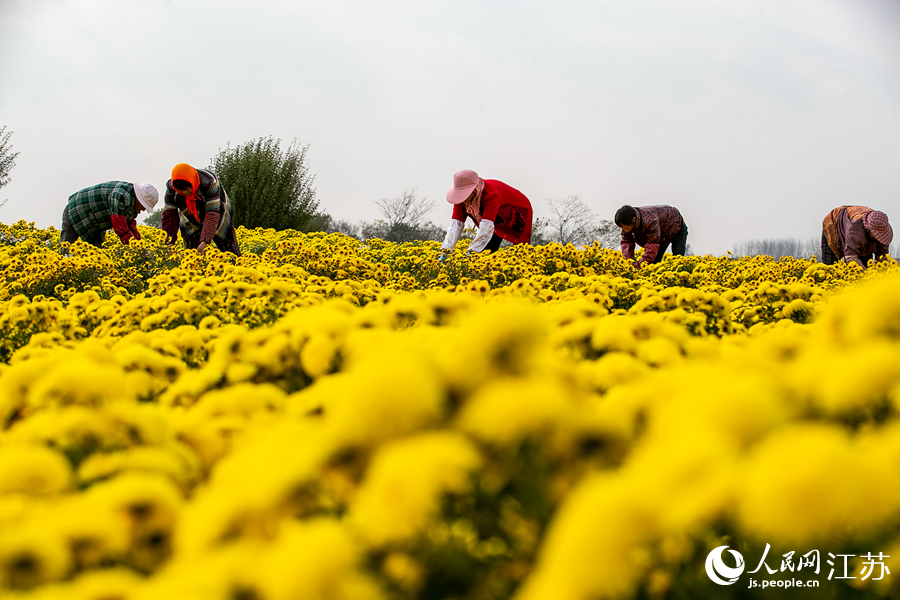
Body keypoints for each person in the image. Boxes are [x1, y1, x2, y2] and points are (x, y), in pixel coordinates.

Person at [440, 170, 533, 260]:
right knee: (487, 250)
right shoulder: (460, 201)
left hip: (516, 209)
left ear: (474, 190)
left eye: (464, 194)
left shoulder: (491, 194)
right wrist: (445, 251)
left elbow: (486, 226)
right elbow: (455, 226)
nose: (462, 198)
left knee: (516, 252)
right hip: (495, 215)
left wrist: (472, 253)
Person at [161, 163, 240, 256]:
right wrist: (169, 242)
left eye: (187, 189)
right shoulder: (171, 188)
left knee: (230, 252)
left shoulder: (208, 181)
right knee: (191, 255)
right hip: (190, 216)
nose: (186, 193)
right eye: (181, 192)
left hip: (217, 211)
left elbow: (212, 214)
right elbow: (170, 216)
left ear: (192, 182)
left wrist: (205, 241)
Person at [61, 181, 158, 248]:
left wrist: (139, 246)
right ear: (139, 199)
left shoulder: (133, 204)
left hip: (93, 223)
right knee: (67, 248)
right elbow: (121, 228)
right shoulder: (120, 195)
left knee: (96, 253)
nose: (144, 209)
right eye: (144, 206)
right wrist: (135, 248)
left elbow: (130, 227)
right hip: (74, 210)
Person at [615, 205, 688, 267]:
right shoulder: (628, 221)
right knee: (653, 264)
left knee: (678, 261)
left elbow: (652, 245)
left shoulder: (650, 221)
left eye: (626, 228)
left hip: (676, 225)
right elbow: (627, 242)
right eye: (623, 228)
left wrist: (639, 265)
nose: (625, 230)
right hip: (661, 232)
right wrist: (629, 262)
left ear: (634, 219)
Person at [821, 206, 892, 269]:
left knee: (866, 264)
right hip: (834, 224)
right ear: (868, 230)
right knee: (831, 267)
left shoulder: (882, 229)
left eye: (880, 235)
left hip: (859, 233)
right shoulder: (855, 232)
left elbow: (882, 257)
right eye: (876, 235)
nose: (878, 238)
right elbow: (851, 258)